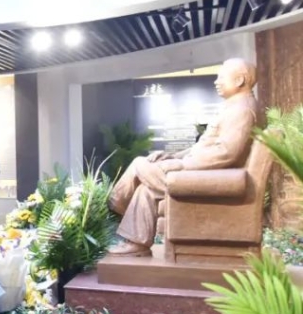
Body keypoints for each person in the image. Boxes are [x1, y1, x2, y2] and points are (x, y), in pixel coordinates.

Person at [109, 58, 259, 256]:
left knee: (139, 164)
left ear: (239, 80)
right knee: (146, 189)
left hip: (211, 176)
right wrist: (173, 155)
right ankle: (138, 243)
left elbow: (227, 153)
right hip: (206, 171)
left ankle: (115, 205)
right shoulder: (235, 106)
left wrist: (183, 165)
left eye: (221, 77)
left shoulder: (242, 110)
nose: (216, 82)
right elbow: (204, 147)